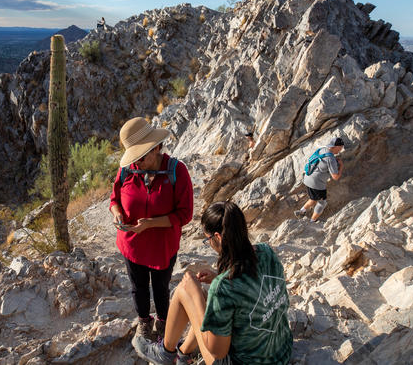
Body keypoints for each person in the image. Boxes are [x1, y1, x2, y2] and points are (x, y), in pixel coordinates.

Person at [133, 201, 292, 365]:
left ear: (218, 237)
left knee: (186, 289)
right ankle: (183, 354)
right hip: (281, 354)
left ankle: (165, 353)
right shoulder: (266, 252)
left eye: (207, 239)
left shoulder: (224, 287)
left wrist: (197, 299)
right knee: (208, 303)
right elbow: (252, 286)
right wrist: (218, 277)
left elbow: (217, 352)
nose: (208, 243)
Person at [110, 117, 194, 341]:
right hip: (132, 245)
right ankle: (144, 321)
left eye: (142, 155)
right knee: (138, 287)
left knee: (160, 288)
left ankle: (163, 322)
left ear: (156, 147)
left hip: (162, 247)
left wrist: (149, 224)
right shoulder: (128, 170)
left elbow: (185, 214)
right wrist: (117, 213)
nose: (137, 162)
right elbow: (113, 199)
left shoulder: (177, 171)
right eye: (134, 156)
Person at [295, 137, 344, 222]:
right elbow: (335, 177)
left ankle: (301, 212)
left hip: (308, 177)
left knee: (313, 199)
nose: (340, 150)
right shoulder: (331, 159)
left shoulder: (323, 149)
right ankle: (312, 222)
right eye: (340, 148)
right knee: (322, 203)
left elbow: (322, 161)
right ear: (335, 146)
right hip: (317, 183)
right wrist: (341, 167)